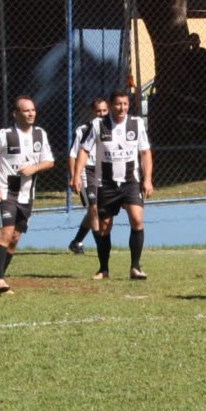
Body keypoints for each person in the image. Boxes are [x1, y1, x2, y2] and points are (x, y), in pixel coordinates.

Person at [76, 89, 153, 280]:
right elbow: (84, 150)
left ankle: (135, 267)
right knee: (104, 227)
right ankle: (103, 269)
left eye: (125, 104)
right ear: (111, 105)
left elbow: (145, 153)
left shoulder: (136, 124)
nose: (122, 108)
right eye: (118, 104)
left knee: (137, 219)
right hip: (106, 184)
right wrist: (77, 175)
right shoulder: (98, 125)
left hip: (131, 181)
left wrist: (148, 179)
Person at [0, 96, 55, 295]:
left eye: (33, 110)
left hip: (26, 195)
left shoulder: (40, 135)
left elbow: (49, 161)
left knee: (14, 238)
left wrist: (34, 168)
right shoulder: (6, 136)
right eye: (26, 110)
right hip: (5, 192)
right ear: (16, 114)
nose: (31, 113)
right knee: (5, 233)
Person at [68, 97, 110, 254]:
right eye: (98, 111)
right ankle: (101, 245)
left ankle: (76, 242)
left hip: (104, 171)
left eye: (104, 111)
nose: (101, 114)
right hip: (87, 170)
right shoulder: (83, 130)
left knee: (96, 210)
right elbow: (73, 155)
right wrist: (74, 176)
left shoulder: (113, 129)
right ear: (93, 112)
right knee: (93, 208)